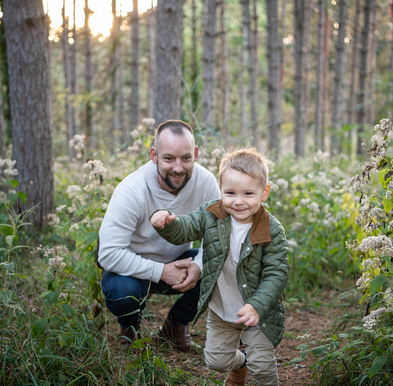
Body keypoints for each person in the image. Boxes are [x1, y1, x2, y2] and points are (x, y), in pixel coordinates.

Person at [151, 148, 288, 385]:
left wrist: (257, 305)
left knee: (263, 366)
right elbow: (186, 227)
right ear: (220, 188)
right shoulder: (212, 214)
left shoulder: (272, 230)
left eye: (248, 193)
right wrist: (168, 222)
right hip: (222, 307)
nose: (238, 201)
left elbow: (276, 274)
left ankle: (256, 364)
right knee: (216, 361)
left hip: (258, 311)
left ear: (264, 192)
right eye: (230, 192)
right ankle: (240, 363)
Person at [97, 119, 220, 352]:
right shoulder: (131, 190)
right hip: (132, 271)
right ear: (154, 155)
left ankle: (175, 327)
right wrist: (161, 272)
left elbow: (217, 237)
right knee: (123, 292)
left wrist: (200, 266)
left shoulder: (206, 183)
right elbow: (108, 254)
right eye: (168, 158)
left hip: (180, 260)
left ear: (195, 153)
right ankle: (130, 330)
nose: (177, 167)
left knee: (223, 264)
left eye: (185, 158)